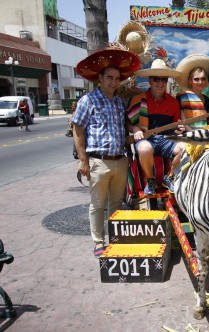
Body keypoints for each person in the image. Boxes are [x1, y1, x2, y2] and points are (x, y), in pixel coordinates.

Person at [71, 48, 141, 258]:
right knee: (97, 205)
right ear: (100, 79)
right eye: (109, 77)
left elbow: (126, 126)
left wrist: (135, 131)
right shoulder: (88, 101)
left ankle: (116, 239)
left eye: (116, 78)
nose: (113, 82)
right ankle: (99, 242)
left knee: (116, 204)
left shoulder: (120, 103)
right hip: (98, 162)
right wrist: (83, 160)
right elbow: (77, 130)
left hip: (120, 161)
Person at [127, 59, 185, 195]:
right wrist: (135, 129)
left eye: (163, 80)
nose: (160, 83)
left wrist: (178, 129)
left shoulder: (174, 103)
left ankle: (169, 177)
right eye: (156, 79)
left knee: (185, 148)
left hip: (166, 140)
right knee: (145, 148)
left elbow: (175, 127)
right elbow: (127, 124)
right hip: (146, 140)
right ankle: (150, 179)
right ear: (150, 81)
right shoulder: (137, 100)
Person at [175, 54, 209, 131]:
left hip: (205, 135)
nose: (200, 82)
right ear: (190, 81)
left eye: (203, 79)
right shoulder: (183, 97)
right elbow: (183, 121)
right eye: (196, 79)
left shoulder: (208, 100)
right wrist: (194, 135)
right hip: (189, 135)